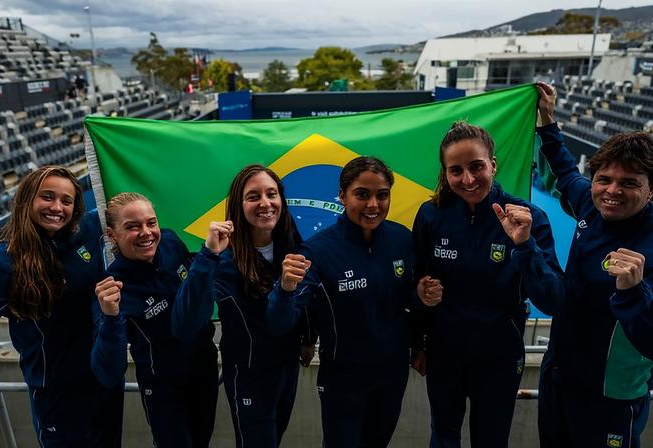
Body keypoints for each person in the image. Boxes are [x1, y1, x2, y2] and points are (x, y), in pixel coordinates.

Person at [535, 82, 653, 447]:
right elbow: (565, 171)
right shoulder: (591, 204)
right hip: (559, 377)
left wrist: (636, 293)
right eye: (603, 179)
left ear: (652, 188)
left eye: (628, 183)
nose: (612, 191)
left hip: (609, 399)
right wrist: (547, 123)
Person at [0, 166, 122, 447]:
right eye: (47, 197)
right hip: (59, 397)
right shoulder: (4, 265)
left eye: (66, 201)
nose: (57, 207)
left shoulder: (90, 231)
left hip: (105, 385)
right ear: (26, 200)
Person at [267, 156, 439, 448]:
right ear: (342, 196)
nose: (373, 205)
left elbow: (407, 299)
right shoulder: (318, 251)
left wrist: (421, 298)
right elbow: (281, 320)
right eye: (362, 194)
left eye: (382, 195)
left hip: (392, 375)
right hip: (342, 380)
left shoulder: (402, 239)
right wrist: (284, 289)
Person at [411, 121, 564, 447]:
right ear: (446, 172)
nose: (467, 179)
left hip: (499, 355)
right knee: (443, 437)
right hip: (444, 353)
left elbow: (552, 299)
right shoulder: (431, 215)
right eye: (456, 170)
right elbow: (416, 282)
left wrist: (525, 246)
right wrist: (421, 304)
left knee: (491, 440)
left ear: (493, 164)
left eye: (476, 166)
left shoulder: (527, 217)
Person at [172, 164, 313, 448]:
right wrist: (207, 255)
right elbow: (184, 323)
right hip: (249, 374)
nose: (265, 203)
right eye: (253, 196)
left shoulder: (296, 249)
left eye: (271, 194)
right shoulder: (222, 260)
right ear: (239, 205)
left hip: (287, 370)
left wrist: (308, 337)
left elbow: (305, 307)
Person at [90, 192, 218, 448]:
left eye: (151, 222)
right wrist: (111, 318)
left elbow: (197, 292)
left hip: (204, 369)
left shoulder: (170, 242)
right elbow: (108, 371)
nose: (147, 232)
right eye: (132, 227)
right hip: (164, 388)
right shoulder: (112, 288)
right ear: (112, 235)